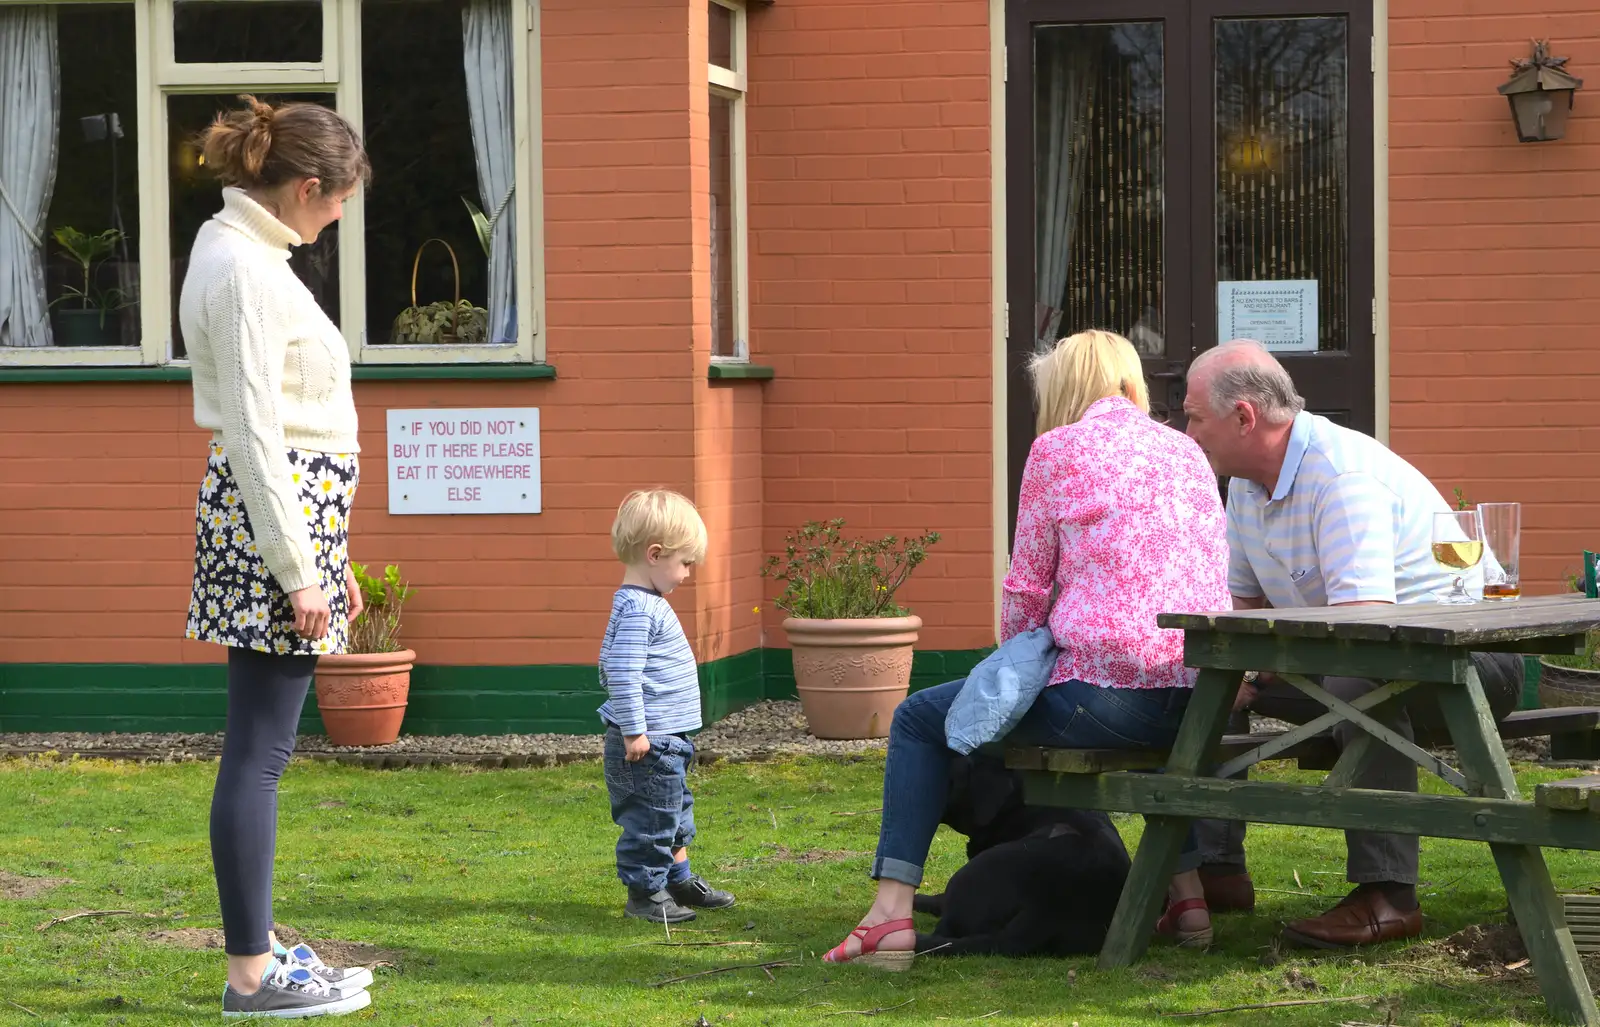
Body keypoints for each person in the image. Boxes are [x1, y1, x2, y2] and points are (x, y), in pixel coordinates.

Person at [822, 330, 1234, 969]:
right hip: (1192, 698)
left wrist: (1013, 666)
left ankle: (890, 912)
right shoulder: (1188, 453)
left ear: (1063, 389)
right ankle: (1188, 901)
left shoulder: (1057, 452)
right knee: (1152, 742)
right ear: (1132, 384)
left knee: (915, 720)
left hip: (1102, 699)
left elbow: (1026, 590)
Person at [1182, 339, 1525, 949]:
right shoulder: (1244, 485)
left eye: (1193, 416)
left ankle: (1388, 895)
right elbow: (1246, 607)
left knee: (1358, 686)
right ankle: (1216, 869)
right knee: (1201, 682)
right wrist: (1239, 677)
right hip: (1350, 658)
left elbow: (1364, 629)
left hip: (1469, 662)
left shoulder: (1341, 476)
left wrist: (1261, 675)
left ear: (1243, 417)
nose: (1186, 431)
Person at [180, 95, 376, 1018]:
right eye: (339, 200)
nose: (339, 214)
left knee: (259, 750)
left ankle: (258, 960)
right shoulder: (247, 273)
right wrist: (299, 567)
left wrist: (318, 550)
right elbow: (260, 435)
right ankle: (251, 977)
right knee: (259, 754)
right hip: (274, 519)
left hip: (284, 514)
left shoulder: (241, 249)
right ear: (307, 187)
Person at [599, 489, 737, 924]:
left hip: (666, 740)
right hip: (649, 742)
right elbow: (622, 673)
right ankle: (645, 894)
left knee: (675, 814)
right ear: (655, 554)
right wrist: (634, 731)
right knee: (651, 820)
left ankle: (678, 881)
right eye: (685, 563)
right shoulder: (641, 608)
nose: (688, 574)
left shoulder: (646, 603)